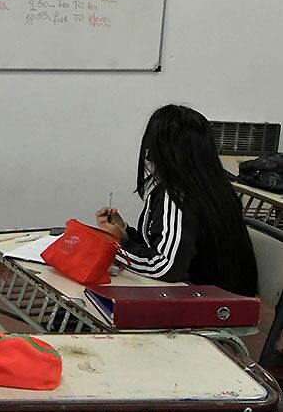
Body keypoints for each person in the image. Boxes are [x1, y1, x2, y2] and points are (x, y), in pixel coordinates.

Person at [96, 104, 257, 296]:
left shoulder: (178, 195)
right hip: (229, 298)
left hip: (209, 303)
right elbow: (168, 247)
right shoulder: (215, 186)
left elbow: (166, 267)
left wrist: (115, 244)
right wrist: (125, 233)